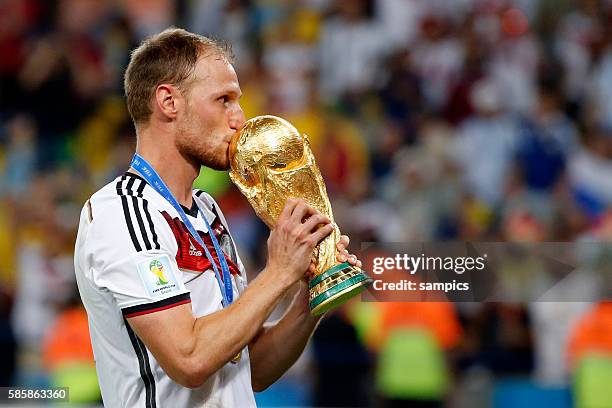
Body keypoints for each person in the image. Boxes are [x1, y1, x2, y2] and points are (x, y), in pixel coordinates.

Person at [73, 27, 361, 407]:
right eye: (224, 100)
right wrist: (278, 272)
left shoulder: (208, 212)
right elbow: (190, 359)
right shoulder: (123, 213)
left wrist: (311, 293)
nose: (239, 118)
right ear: (168, 102)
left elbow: (249, 368)